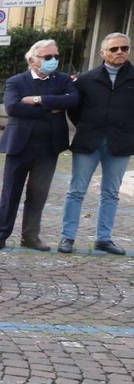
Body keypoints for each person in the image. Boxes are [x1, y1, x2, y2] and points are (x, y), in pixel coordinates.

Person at [0, 39, 77, 251]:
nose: (53, 60)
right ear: (32, 60)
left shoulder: (63, 80)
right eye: (48, 57)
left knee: (38, 195)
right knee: (10, 193)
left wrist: (38, 99)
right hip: (20, 145)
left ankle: (30, 236)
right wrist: (52, 105)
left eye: (56, 56)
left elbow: (73, 100)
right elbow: (13, 108)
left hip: (49, 147)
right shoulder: (16, 81)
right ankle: (0, 234)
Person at [58, 33, 133, 255]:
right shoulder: (85, 79)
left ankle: (104, 238)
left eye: (124, 48)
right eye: (113, 49)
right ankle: (67, 237)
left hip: (120, 144)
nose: (119, 52)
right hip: (88, 142)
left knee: (111, 192)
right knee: (76, 191)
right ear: (103, 53)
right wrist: (86, 126)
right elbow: (73, 108)